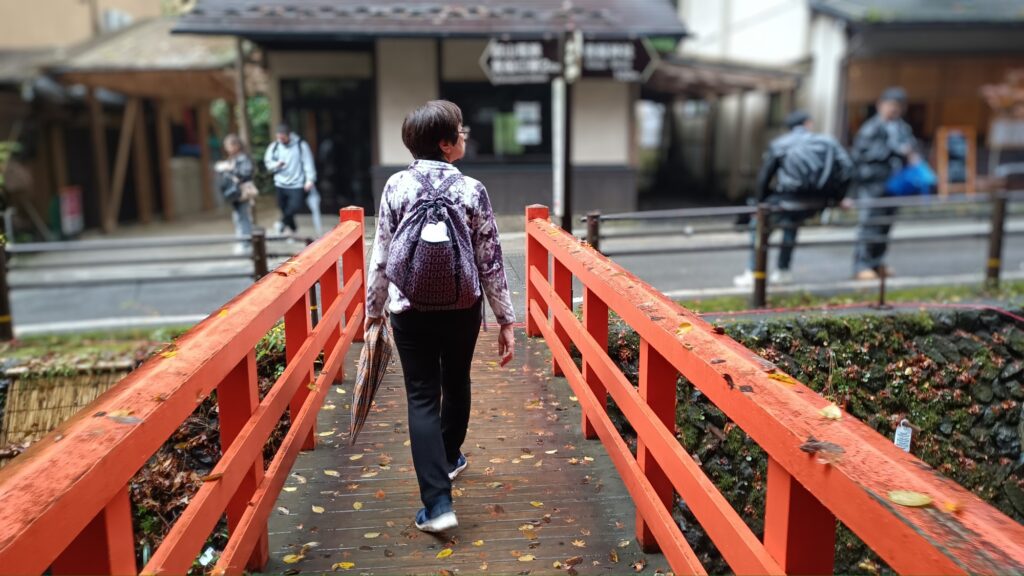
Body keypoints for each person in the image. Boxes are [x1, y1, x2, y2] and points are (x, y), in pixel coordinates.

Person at [364, 100, 516, 533]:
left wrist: (373, 313)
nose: (465, 137)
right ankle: (449, 457)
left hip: (408, 309)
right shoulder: (472, 190)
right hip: (462, 308)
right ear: (447, 145)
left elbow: (381, 255)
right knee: (457, 379)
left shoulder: (396, 186)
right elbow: (490, 260)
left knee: (422, 395)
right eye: (461, 132)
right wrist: (506, 319)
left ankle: (436, 505)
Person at [734, 110, 852, 287]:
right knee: (790, 227)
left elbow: (764, 177)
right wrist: (837, 197)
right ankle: (783, 271)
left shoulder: (780, 144)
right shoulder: (828, 142)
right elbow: (847, 168)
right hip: (817, 201)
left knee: (758, 229)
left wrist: (761, 203)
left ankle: (753, 272)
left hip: (787, 199)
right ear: (808, 123)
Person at [851, 87, 917, 280]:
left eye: (898, 106)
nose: (894, 110)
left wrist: (908, 152)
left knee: (885, 226)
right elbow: (862, 155)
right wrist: (894, 151)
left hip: (895, 183)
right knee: (869, 224)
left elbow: (911, 147)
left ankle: (877, 262)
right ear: (881, 105)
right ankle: (861, 265)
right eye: (891, 105)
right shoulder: (871, 127)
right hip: (872, 183)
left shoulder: (902, 127)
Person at [263, 123, 316, 238]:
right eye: (278, 138)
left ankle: (281, 223)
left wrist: (310, 179)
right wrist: (276, 164)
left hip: (297, 183)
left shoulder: (301, 145)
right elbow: (268, 163)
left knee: (295, 206)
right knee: (283, 207)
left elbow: (308, 163)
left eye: (283, 138)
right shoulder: (274, 146)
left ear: (289, 135)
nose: (281, 140)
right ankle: (293, 231)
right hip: (280, 183)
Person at [216, 134, 255, 255]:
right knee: (238, 217)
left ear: (236, 146)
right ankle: (243, 241)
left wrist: (230, 169)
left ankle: (246, 243)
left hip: (242, 190)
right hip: (234, 192)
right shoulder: (232, 158)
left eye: (228, 146)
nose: (227, 148)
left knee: (243, 217)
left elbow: (246, 172)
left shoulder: (243, 158)